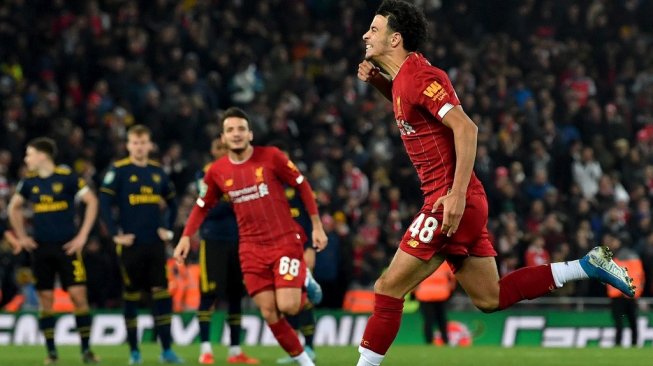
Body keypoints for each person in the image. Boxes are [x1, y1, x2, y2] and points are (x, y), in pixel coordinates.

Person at [355, 2, 635, 365]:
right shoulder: (403, 81)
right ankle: (586, 266)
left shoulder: (421, 76)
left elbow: (466, 128)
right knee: (490, 298)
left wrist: (455, 196)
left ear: (396, 39)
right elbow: (412, 110)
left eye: (374, 30)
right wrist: (380, 82)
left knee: (386, 288)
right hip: (461, 199)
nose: (366, 34)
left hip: (448, 200)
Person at [174, 107, 328, 366]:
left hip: (283, 242)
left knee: (289, 307)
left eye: (241, 129)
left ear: (250, 134)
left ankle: (304, 278)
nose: (236, 134)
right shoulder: (217, 171)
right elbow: (202, 205)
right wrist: (186, 237)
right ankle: (305, 362)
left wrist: (316, 225)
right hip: (251, 250)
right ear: (223, 137)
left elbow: (301, 184)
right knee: (269, 311)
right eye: (230, 130)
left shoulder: (271, 157)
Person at [7, 137, 100, 364]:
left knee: (79, 297)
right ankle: (51, 353)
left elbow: (92, 201)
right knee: (45, 300)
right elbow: (14, 207)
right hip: (41, 249)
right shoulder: (29, 183)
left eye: (29, 154)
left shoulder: (67, 178)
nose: (26, 159)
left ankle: (86, 351)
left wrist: (82, 236)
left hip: (68, 247)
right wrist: (22, 237)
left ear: (42, 155)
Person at [99, 125, 182, 364]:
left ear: (150, 145)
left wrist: (166, 227)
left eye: (143, 142)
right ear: (128, 145)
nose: (139, 147)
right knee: (131, 296)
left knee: (161, 294)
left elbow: (173, 202)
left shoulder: (158, 172)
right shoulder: (119, 170)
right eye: (135, 143)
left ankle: (166, 350)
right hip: (130, 245)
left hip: (154, 244)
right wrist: (115, 233)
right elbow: (104, 203)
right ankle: (134, 352)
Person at [195, 138, 260, 365]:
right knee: (208, 295)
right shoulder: (206, 174)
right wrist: (234, 199)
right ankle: (205, 349)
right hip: (213, 242)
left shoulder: (242, 172)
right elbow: (206, 209)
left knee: (236, 296)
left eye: (226, 147)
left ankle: (235, 352)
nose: (223, 151)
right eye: (219, 148)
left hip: (240, 241)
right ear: (212, 151)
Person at [271, 140, 321, 364]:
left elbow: (311, 217)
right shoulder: (267, 185)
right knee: (285, 300)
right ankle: (297, 350)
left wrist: (311, 248)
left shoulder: (298, 185)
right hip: (276, 249)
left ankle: (309, 347)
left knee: (303, 299)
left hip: (300, 247)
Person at [604, 233, 644, 347]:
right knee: (633, 323)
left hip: (617, 296)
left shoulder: (615, 257)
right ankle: (634, 344)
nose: (613, 243)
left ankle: (618, 344)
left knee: (619, 324)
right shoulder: (635, 257)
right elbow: (640, 277)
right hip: (631, 296)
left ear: (620, 242)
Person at [414, 264, 455, 345]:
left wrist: (415, 290)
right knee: (442, 320)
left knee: (428, 320)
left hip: (424, 295)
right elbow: (452, 279)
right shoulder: (445, 263)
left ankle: (429, 342)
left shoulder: (421, 261)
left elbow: (414, 278)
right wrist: (449, 289)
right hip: (441, 294)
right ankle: (445, 340)